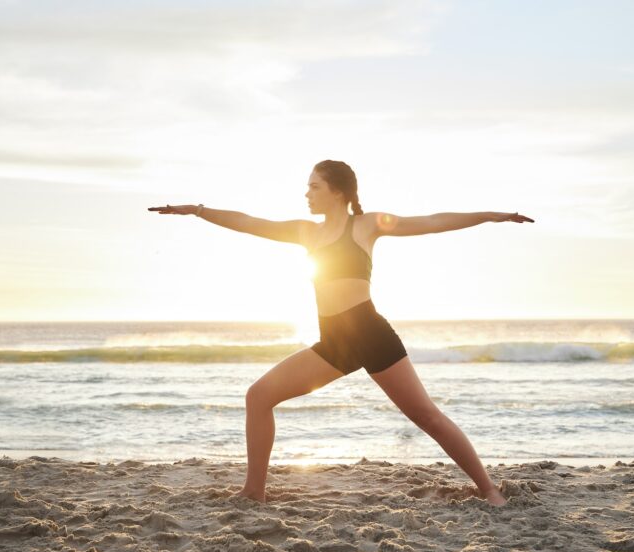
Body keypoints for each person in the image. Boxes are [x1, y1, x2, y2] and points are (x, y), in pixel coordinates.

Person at [149, 159, 534, 507]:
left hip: (370, 333)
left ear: (337, 191)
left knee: (426, 416)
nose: (307, 193)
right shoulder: (306, 232)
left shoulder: (364, 226)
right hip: (334, 343)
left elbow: (432, 221)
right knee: (259, 396)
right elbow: (250, 223)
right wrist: (198, 211)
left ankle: (489, 489)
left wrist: (489, 215)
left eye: (314, 186)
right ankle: (254, 490)